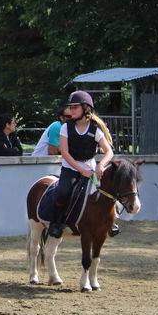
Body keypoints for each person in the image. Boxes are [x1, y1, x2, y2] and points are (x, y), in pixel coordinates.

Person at [48, 90, 114, 239]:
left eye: (75, 107)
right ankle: (56, 223)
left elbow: (109, 152)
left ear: (86, 109)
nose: (71, 110)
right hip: (70, 168)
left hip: (90, 167)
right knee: (63, 193)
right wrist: (81, 170)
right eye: (70, 107)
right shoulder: (66, 127)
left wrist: (101, 165)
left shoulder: (95, 129)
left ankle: (111, 222)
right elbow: (64, 153)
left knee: (107, 191)